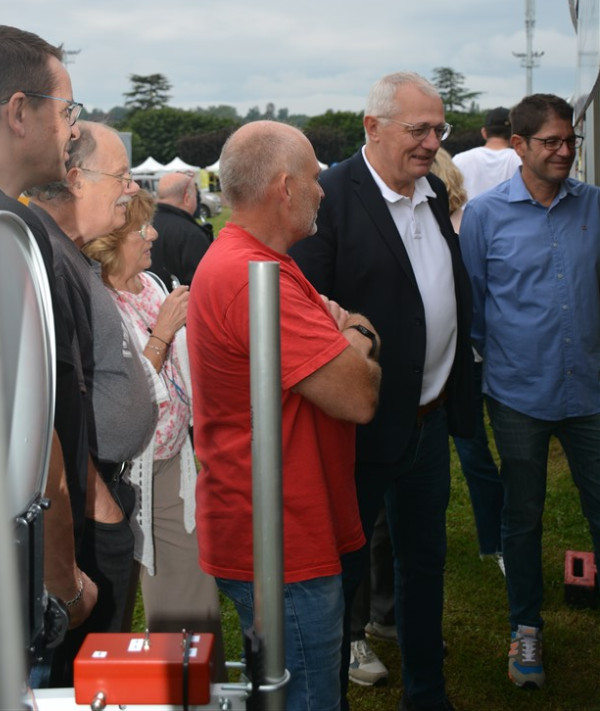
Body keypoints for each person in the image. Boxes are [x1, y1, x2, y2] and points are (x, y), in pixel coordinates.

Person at [290, 71, 475, 711]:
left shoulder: (427, 191)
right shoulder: (332, 197)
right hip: (357, 429)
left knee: (424, 563)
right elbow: (309, 310)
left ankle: (428, 693)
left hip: (427, 421)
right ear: (372, 128)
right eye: (418, 129)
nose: (431, 143)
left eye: (439, 129)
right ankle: (331, 692)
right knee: (341, 572)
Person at [187, 120, 382, 711]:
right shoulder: (254, 278)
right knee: (305, 698)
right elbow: (358, 396)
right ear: (284, 189)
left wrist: (347, 333)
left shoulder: (265, 263)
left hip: (285, 529)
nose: (324, 190)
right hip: (280, 541)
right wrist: (359, 332)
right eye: (316, 179)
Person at [459, 93, 600, 691]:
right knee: (523, 516)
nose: (565, 152)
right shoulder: (486, 216)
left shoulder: (594, 206)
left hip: (592, 391)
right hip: (517, 393)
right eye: (551, 143)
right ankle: (525, 627)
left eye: (572, 141)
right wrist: (504, 360)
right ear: (518, 145)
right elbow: (475, 303)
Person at [27, 120, 157, 685]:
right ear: (76, 180)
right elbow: (47, 413)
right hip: (81, 511)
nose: (130, 190)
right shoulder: (50, 261)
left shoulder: (72, 257)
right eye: (122, 177)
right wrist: (102, 510)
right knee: (77, 677)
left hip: (94, 498)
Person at [82, 190, 227, 681]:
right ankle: (115, 688)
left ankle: (192, 689)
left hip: (167, 465)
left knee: (191, 597)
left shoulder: (148, 283)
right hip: (115, 479)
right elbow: (119, 404)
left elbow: (187, 373)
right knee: (109, 610)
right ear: (109, 242)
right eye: (141, 228)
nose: (155, 234)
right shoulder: (92, 300)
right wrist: (163, 334)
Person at [0, 25, 97, 662]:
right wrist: (61, 584)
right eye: (67, 110)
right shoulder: (9, 238)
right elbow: (32, 438)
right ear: (17, 111)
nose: (73, 129)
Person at [431, 148, 505, 572]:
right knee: (474, 453)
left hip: (464, 355)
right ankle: (492, 540)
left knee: (469, 452)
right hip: (471, 356)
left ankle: (492, 539)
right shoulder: (465, 220)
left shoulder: (461, 225)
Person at [150, 171, 213, 290]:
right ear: (187, 199)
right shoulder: (192, 235)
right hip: (182, 305)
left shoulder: (143, 225)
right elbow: (203, 286)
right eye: (196, 196)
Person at [452, 106, 521, 202]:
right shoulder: (521, 160)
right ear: (514, 134)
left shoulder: (459, 159)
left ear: (484, 132)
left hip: (466, 216)